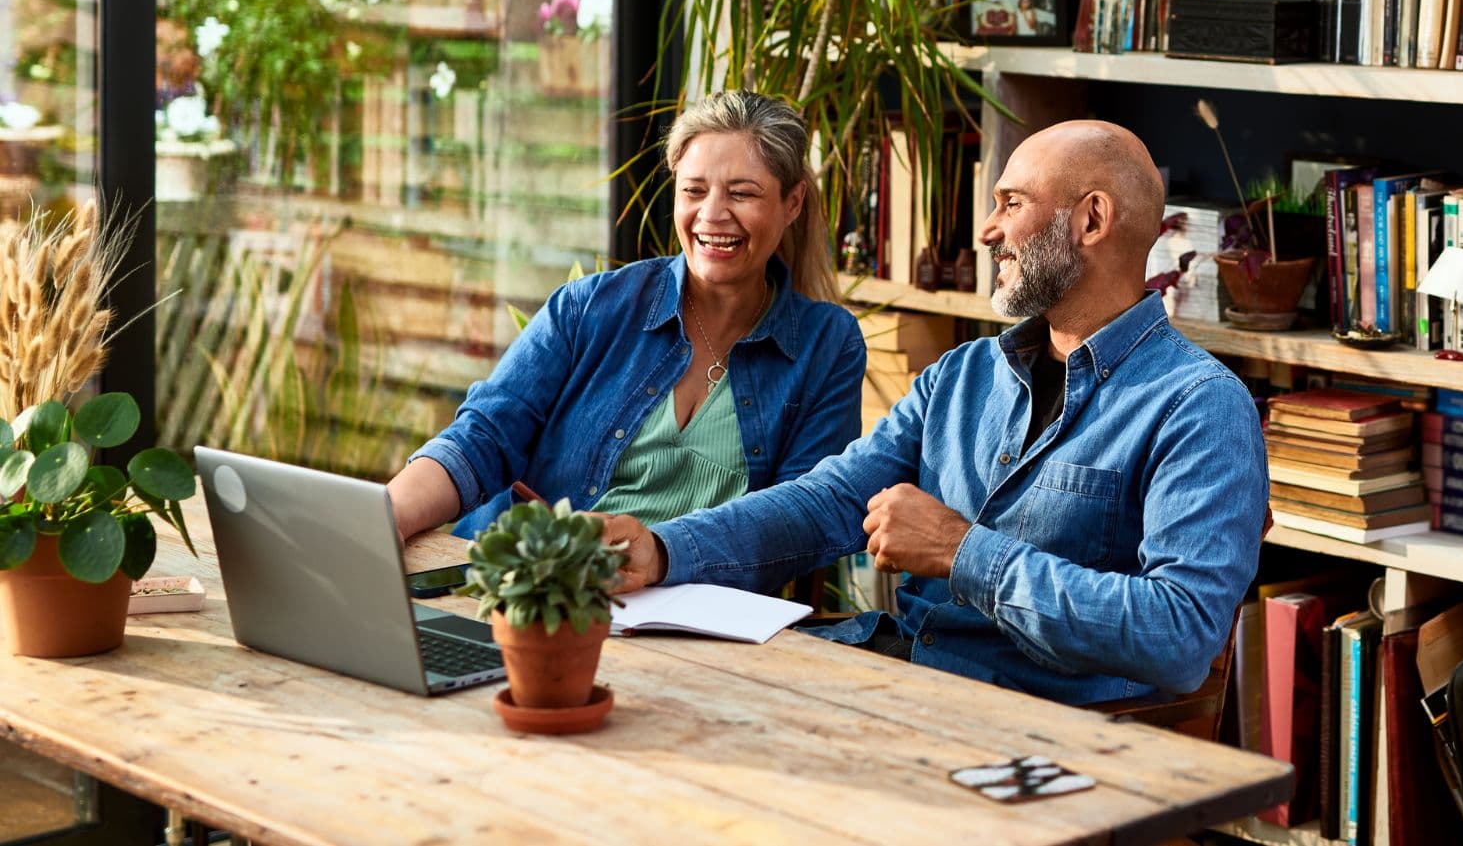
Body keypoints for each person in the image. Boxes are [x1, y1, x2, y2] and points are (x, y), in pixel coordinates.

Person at [605, 119, 1269, 705]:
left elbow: (1179, 634)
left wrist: (961, 550)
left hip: (1034, 729)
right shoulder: (963, 373)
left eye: (1011, 203)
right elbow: (829, 501)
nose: (987, 231)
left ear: (1091, 220)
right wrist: (663, 549)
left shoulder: (1199, 406)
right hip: (896, 678)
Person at [387, 90, 867, 541]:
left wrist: (660, 553)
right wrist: (385, 518)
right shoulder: (589, 307)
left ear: (792, 203)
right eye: (694, 191)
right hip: (537, 595)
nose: (712, 214)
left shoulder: (827, 346)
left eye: (741, 193)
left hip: (691, 620)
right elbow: (482, 438)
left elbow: (799, 519)